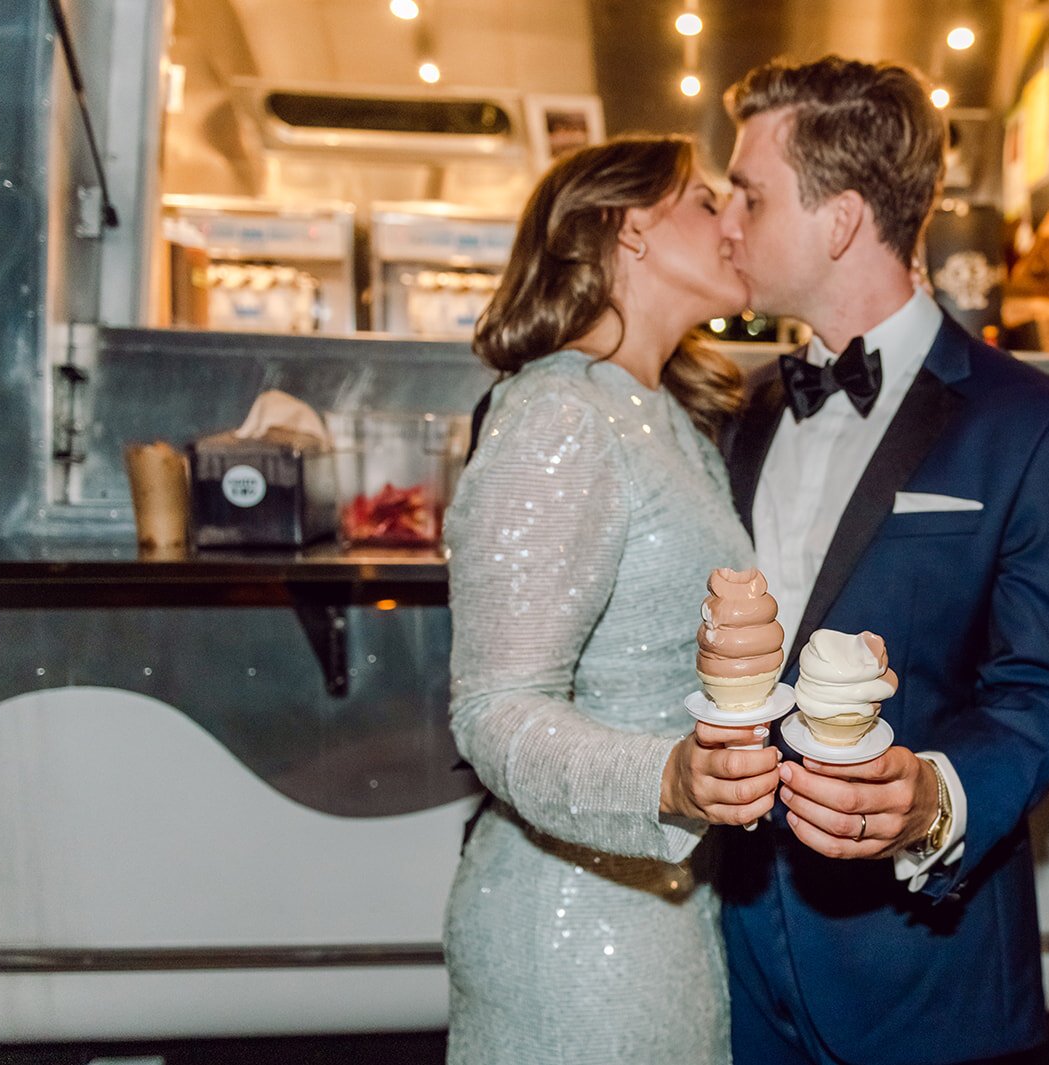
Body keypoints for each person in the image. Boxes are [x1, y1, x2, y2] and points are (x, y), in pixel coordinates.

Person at [715, 57, 1049, 1065]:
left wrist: (933, 798)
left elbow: (1039, 691)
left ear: (840, 219)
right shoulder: (745, 409)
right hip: (732, 954)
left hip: (917, 975)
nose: (726, 220)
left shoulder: (1035, 425)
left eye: (748, 196)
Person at [442, 135, 783, 1065]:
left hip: (668, 903)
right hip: (573, 922)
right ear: (630, 228)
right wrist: (665, 780)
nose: (735, 222)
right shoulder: (559, 414)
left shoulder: (664, 415)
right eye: (708, 201)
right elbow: (494, 706)